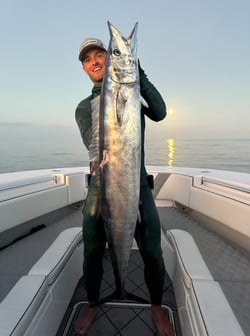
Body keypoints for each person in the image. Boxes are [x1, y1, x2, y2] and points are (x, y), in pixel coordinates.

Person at [74, 37, 174, 336]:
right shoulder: (83, 107)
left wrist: (137, 76)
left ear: (110, 60)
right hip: (100, 186)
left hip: (137, 184)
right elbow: (95, 140)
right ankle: (93, 302)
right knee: (92, 250)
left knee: (152, 251)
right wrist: (109, 101)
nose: (94, 61)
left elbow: (159, 111)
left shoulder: (131, 95)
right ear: (84, 68)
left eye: (100, 54)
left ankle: (156, 306)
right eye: (87, 59)